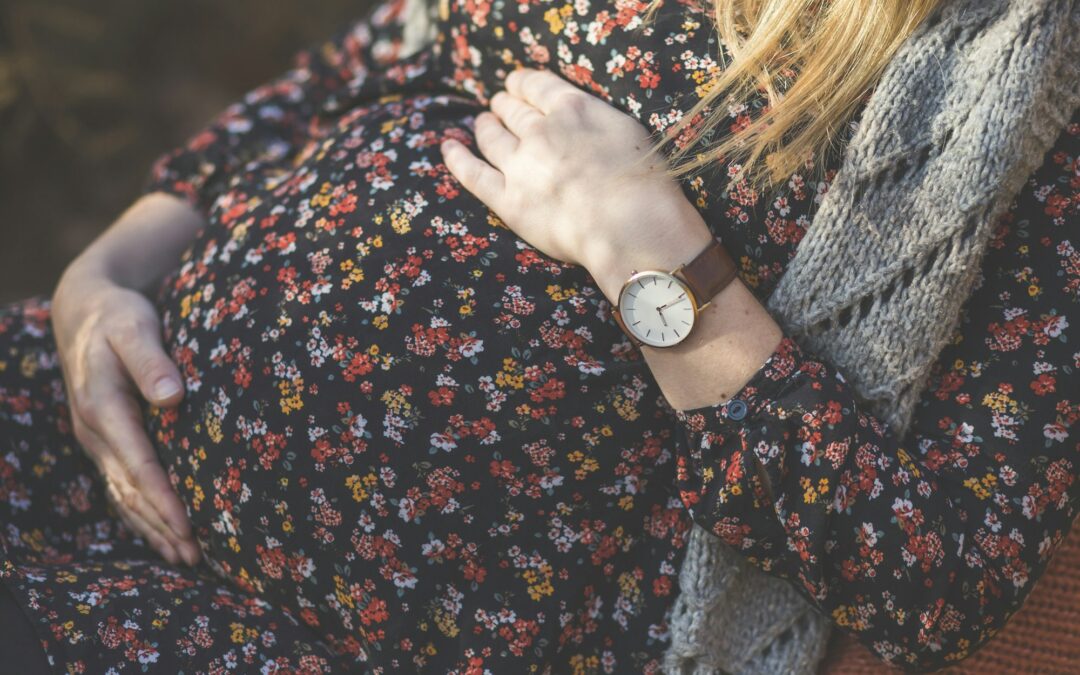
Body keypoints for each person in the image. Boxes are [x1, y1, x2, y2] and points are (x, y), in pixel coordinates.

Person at [0, 0, 1076, 672]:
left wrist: (650, 251)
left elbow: (937, 580)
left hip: (295, 634)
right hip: (81, 418)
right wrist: (106, 271)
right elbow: (374, 57)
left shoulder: (1029, 108)